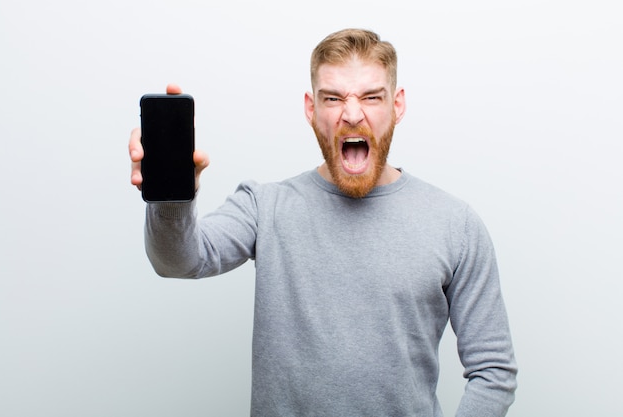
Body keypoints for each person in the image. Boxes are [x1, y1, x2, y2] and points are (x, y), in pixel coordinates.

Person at [129, 28, 517, 417]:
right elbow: (177, 261)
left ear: (397, 105)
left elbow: (493, 370)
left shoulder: (454, 224)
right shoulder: (265, 207)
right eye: (333, 98)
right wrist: (171, 196)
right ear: (311, 108)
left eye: (371, 97)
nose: (351, 114)